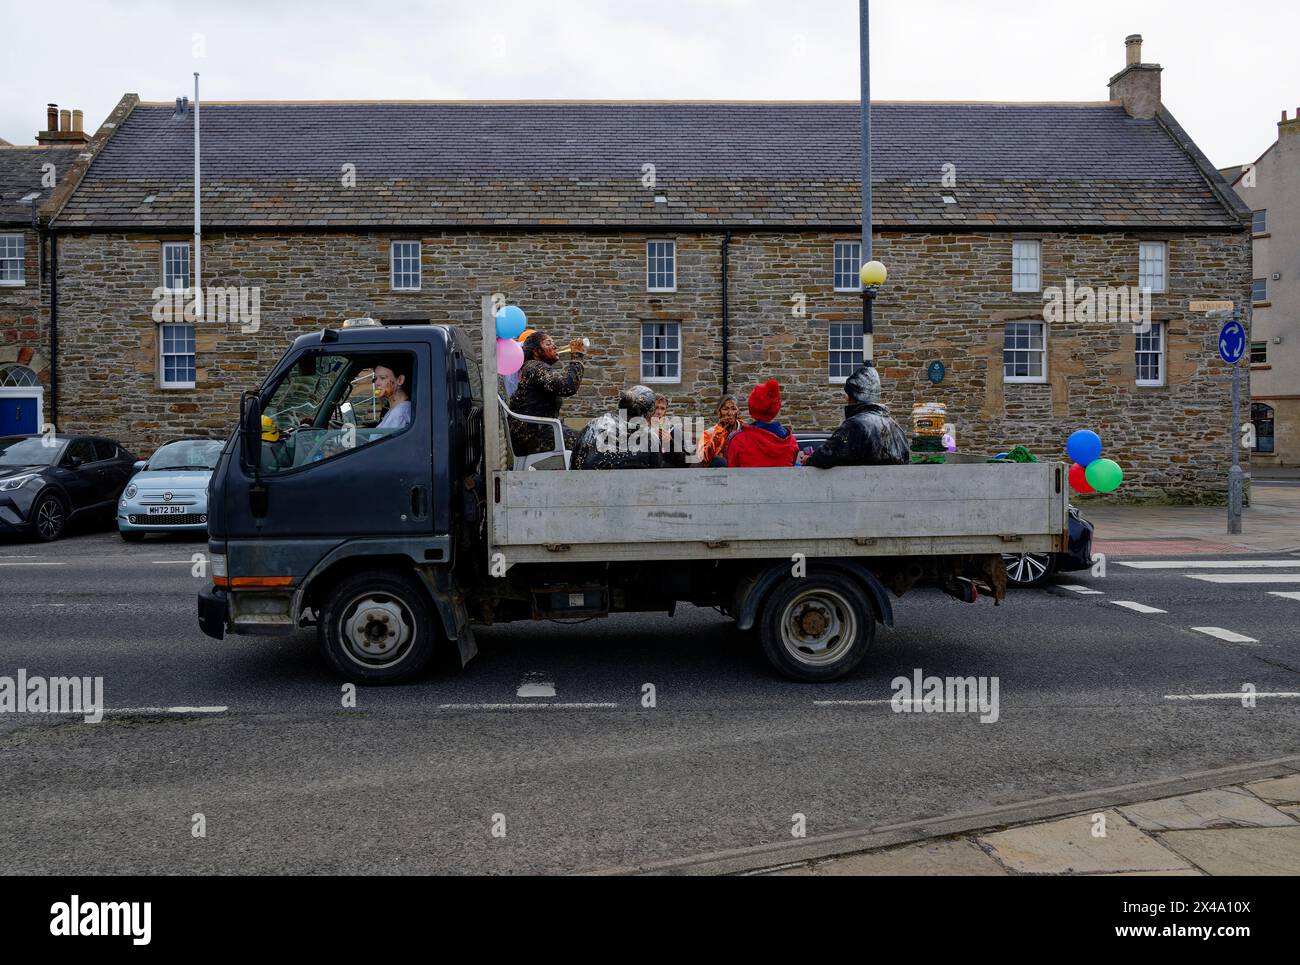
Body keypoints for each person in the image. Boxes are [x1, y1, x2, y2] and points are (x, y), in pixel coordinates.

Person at [799, 364, 910, 468]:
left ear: (853, 396)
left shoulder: (855, 425)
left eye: (848, 395)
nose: (846, 399)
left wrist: (809, 460)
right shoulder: (894, 426)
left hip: (862, 486)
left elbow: (828, 455)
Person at [507, 330, 585, 455]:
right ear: (536, 351)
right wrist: (577, 355)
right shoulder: (534, 368)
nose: (555, 346)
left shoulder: (533, 367)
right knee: (588, 442)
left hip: (536, 432)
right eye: (548, 343)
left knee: (587, 437)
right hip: (533, 436)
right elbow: (567, 386)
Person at [571, 385, 668, 470]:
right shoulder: (650, 438)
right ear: (648, 413)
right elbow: (656, 474)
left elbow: (574, 462)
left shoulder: (594, 424)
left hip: (582, 485)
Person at [727, 380, 800, 468]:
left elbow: (732, 474)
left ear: (751, 407)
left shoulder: (739, 441)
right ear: (776, 408)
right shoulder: (791, 442)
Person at [695, 395, 740, 467]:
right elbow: (703, 458)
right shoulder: (708, 433)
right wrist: (718, 432)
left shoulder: (745, 432)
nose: (730, 413)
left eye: (733, 409)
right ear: (719, 413)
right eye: (725, 409)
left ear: (738, 411)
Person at [373, 357, 412, 430]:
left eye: (383, 378)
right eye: (375, 378)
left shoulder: (399, 414)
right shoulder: (396, 408)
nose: (376, 383)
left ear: (400, 380)